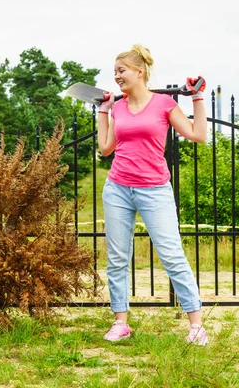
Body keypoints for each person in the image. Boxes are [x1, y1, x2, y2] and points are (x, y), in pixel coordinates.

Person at [97, 44, 208, 345]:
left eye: (121, 70)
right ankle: (121, 322)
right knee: (118, 258)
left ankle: (196, 326)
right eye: (115, 72)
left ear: (140, 71)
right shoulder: (118, 107)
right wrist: (103, 111)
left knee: (172, 255)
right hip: (118, 187)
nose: (117, 76)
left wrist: (197, 97)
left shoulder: (164, 104)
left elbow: (198, 134)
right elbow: (105, 148)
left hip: (154, 189)